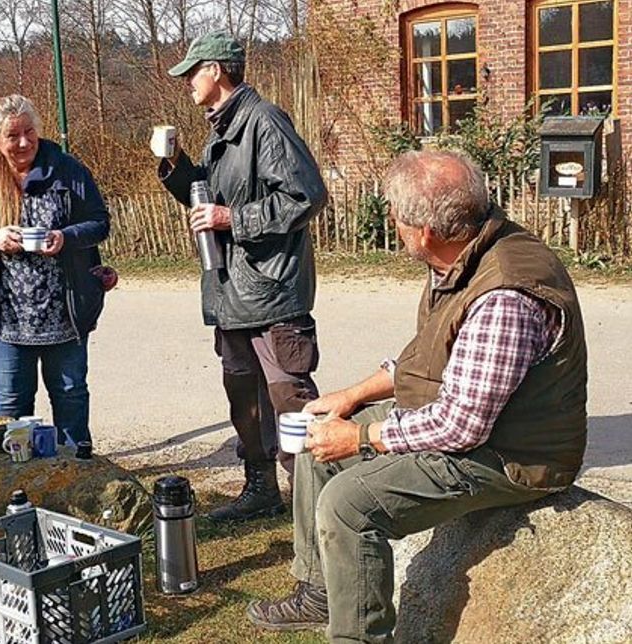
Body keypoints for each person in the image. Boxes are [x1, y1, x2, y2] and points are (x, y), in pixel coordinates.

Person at [246, 150, 588, 642]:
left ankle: (360, 636)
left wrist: (362, 436)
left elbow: (460, 426)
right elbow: (428, 356)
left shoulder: (504, 294)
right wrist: (350, 398)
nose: (392, 223)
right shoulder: (465, 254)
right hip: (481, 424)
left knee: (348, 504)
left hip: (513, 454)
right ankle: (322, 593)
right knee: (318, 445)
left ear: (424, 231)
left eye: (397, 218)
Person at [157, 31, 329, 521]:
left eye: (192, 71)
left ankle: (316, 500)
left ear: (216, 69)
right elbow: (211, 196)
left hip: (271, 291)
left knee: (288, 397)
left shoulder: (264, 122)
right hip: (231, 291)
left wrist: (233, 219)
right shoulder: (221, 130)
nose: (187, 81)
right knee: (244, 398)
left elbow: (305, 196)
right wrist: (176, 169)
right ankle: (261, 490)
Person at [0, 95, 110, 456]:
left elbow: (100, 223)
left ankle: (77, 473)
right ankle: (14, 481)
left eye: (29, 132)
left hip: (63, 313)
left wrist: (65, 237)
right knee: (10, 402)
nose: (23, 143)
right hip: (5, 318)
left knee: (70, 395)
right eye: (12, 136)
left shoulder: (68, 170)